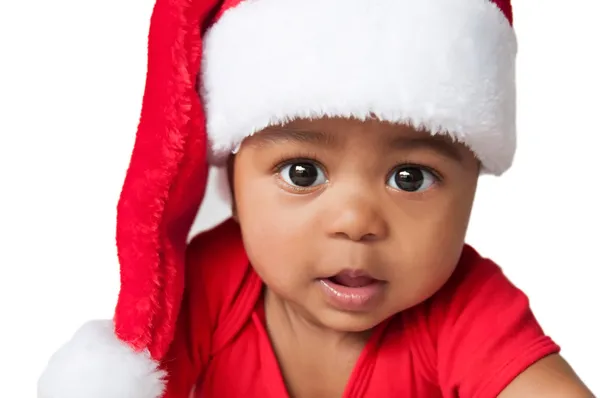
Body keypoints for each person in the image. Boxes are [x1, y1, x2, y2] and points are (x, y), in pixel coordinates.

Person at [37, 0, 594, 397]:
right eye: (302, 172)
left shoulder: (468, 308)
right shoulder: (211, 285)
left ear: (474, 180)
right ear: (232, 172)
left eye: (410, 177)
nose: (356, 221)